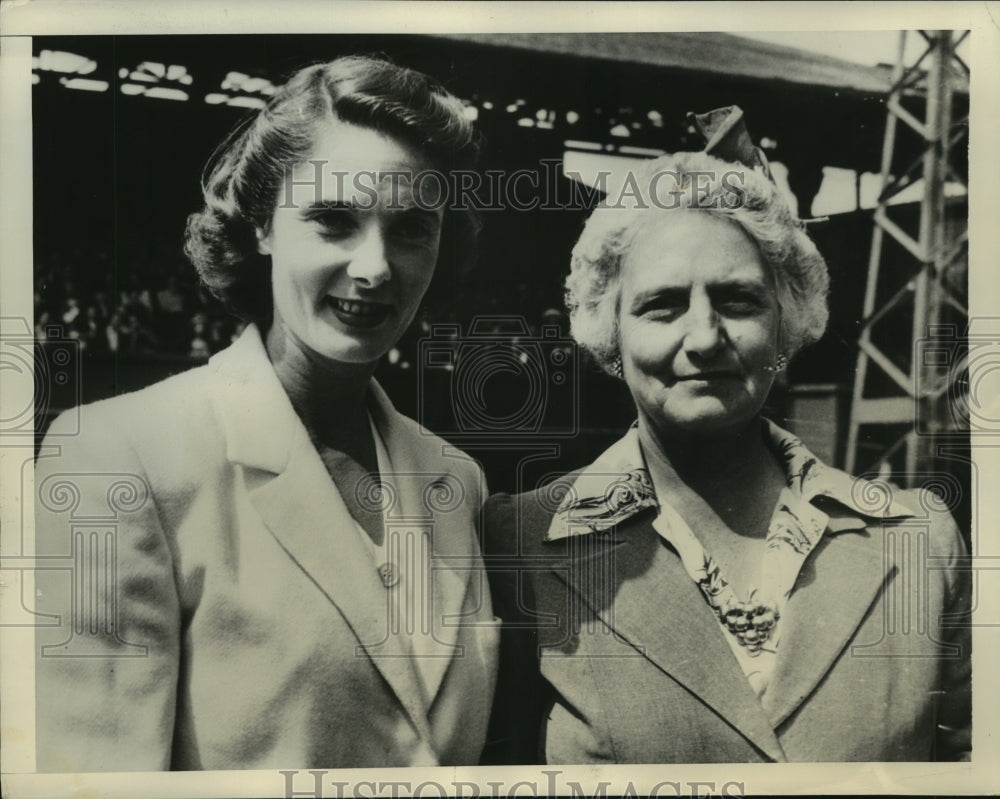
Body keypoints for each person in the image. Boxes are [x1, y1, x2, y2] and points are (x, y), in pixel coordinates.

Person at [34, 55, 499, 771]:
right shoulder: (115, 457)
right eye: (333, 220)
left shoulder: (457, 481)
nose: (376, 266)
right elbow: (95, 780)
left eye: (412, 229)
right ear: (262, 225)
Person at [483, 108, 971, 764]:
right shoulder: (517, 545)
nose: (706, 338)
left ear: (788, 323)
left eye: (739, 301)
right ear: (609, 333)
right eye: (662, 305)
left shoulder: (918, 542)